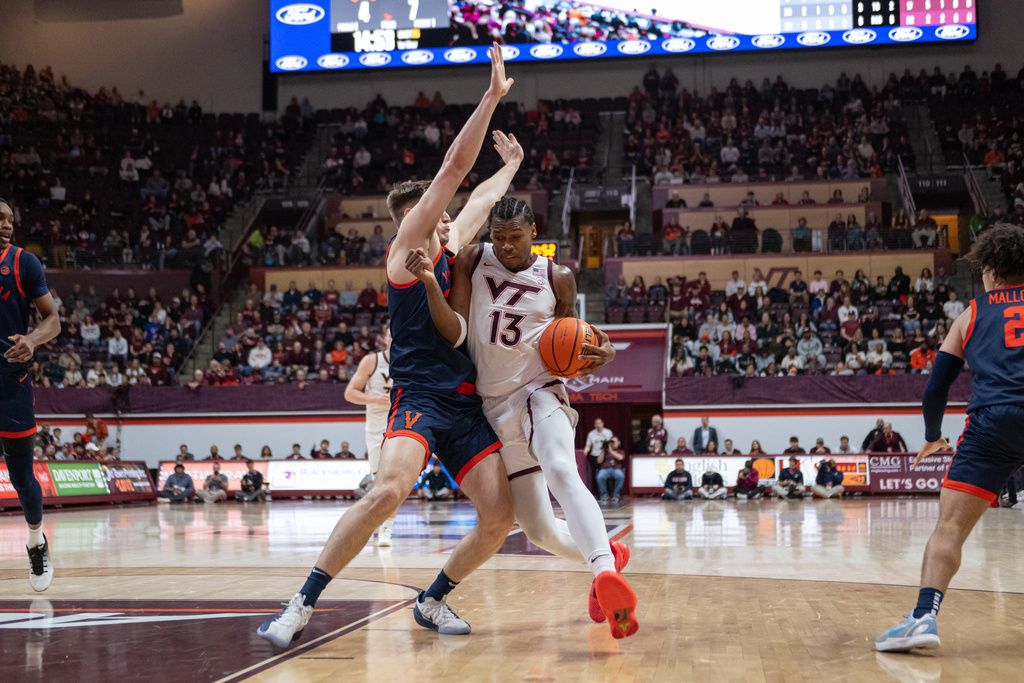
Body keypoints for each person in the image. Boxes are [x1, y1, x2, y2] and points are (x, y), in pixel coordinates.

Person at [260, 47, 522, 646]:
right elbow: (457, 172)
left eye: (437, 213)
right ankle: (300, 603)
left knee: (499, 519)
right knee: (387, 490)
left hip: (465, 401)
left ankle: (431, 602)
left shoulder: (452, 240)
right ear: (410, 220)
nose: (436, 216)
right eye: (424, 211)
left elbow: (477, 195)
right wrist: (491, 98)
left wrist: (512, 166)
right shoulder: (407, 258)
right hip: (419, 397)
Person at [877, 225, 1024, 652]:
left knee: (950, 528)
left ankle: (923, 618)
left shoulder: (972, 313)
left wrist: (932, 436)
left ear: (992, 270)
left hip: (991, 422)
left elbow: (936, 388)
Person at [0, 197, 61, 591]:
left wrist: (33, 341)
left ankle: (36, 542)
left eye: (9, 218)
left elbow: (52, 319)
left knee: (22, 476)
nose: (7, 224)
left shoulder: (24, 263)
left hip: (11, 384)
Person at [344, 325, 395, 545]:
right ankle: (378, 522)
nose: (396, 337)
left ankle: (387, 529)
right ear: (385, 338)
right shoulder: (371, 361)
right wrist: (373, 399)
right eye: (392, 334)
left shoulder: (412, 360)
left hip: (400, 427)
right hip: (375, 430)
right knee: (378, 482)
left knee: (395, 481)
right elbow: (349, 393)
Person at [596, 437, 627, 504]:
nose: (612, 444)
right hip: (605, 469)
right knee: (600, 477)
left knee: (620, 476)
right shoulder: (605, 452)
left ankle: (616, 495)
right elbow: (599, 461)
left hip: (616, 469)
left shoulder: (620, 451)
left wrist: (611, 451)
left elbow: (621, 458)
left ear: (618, 443)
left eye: (614, 442)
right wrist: (603, 450)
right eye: (611, 442)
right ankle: (604, 496)